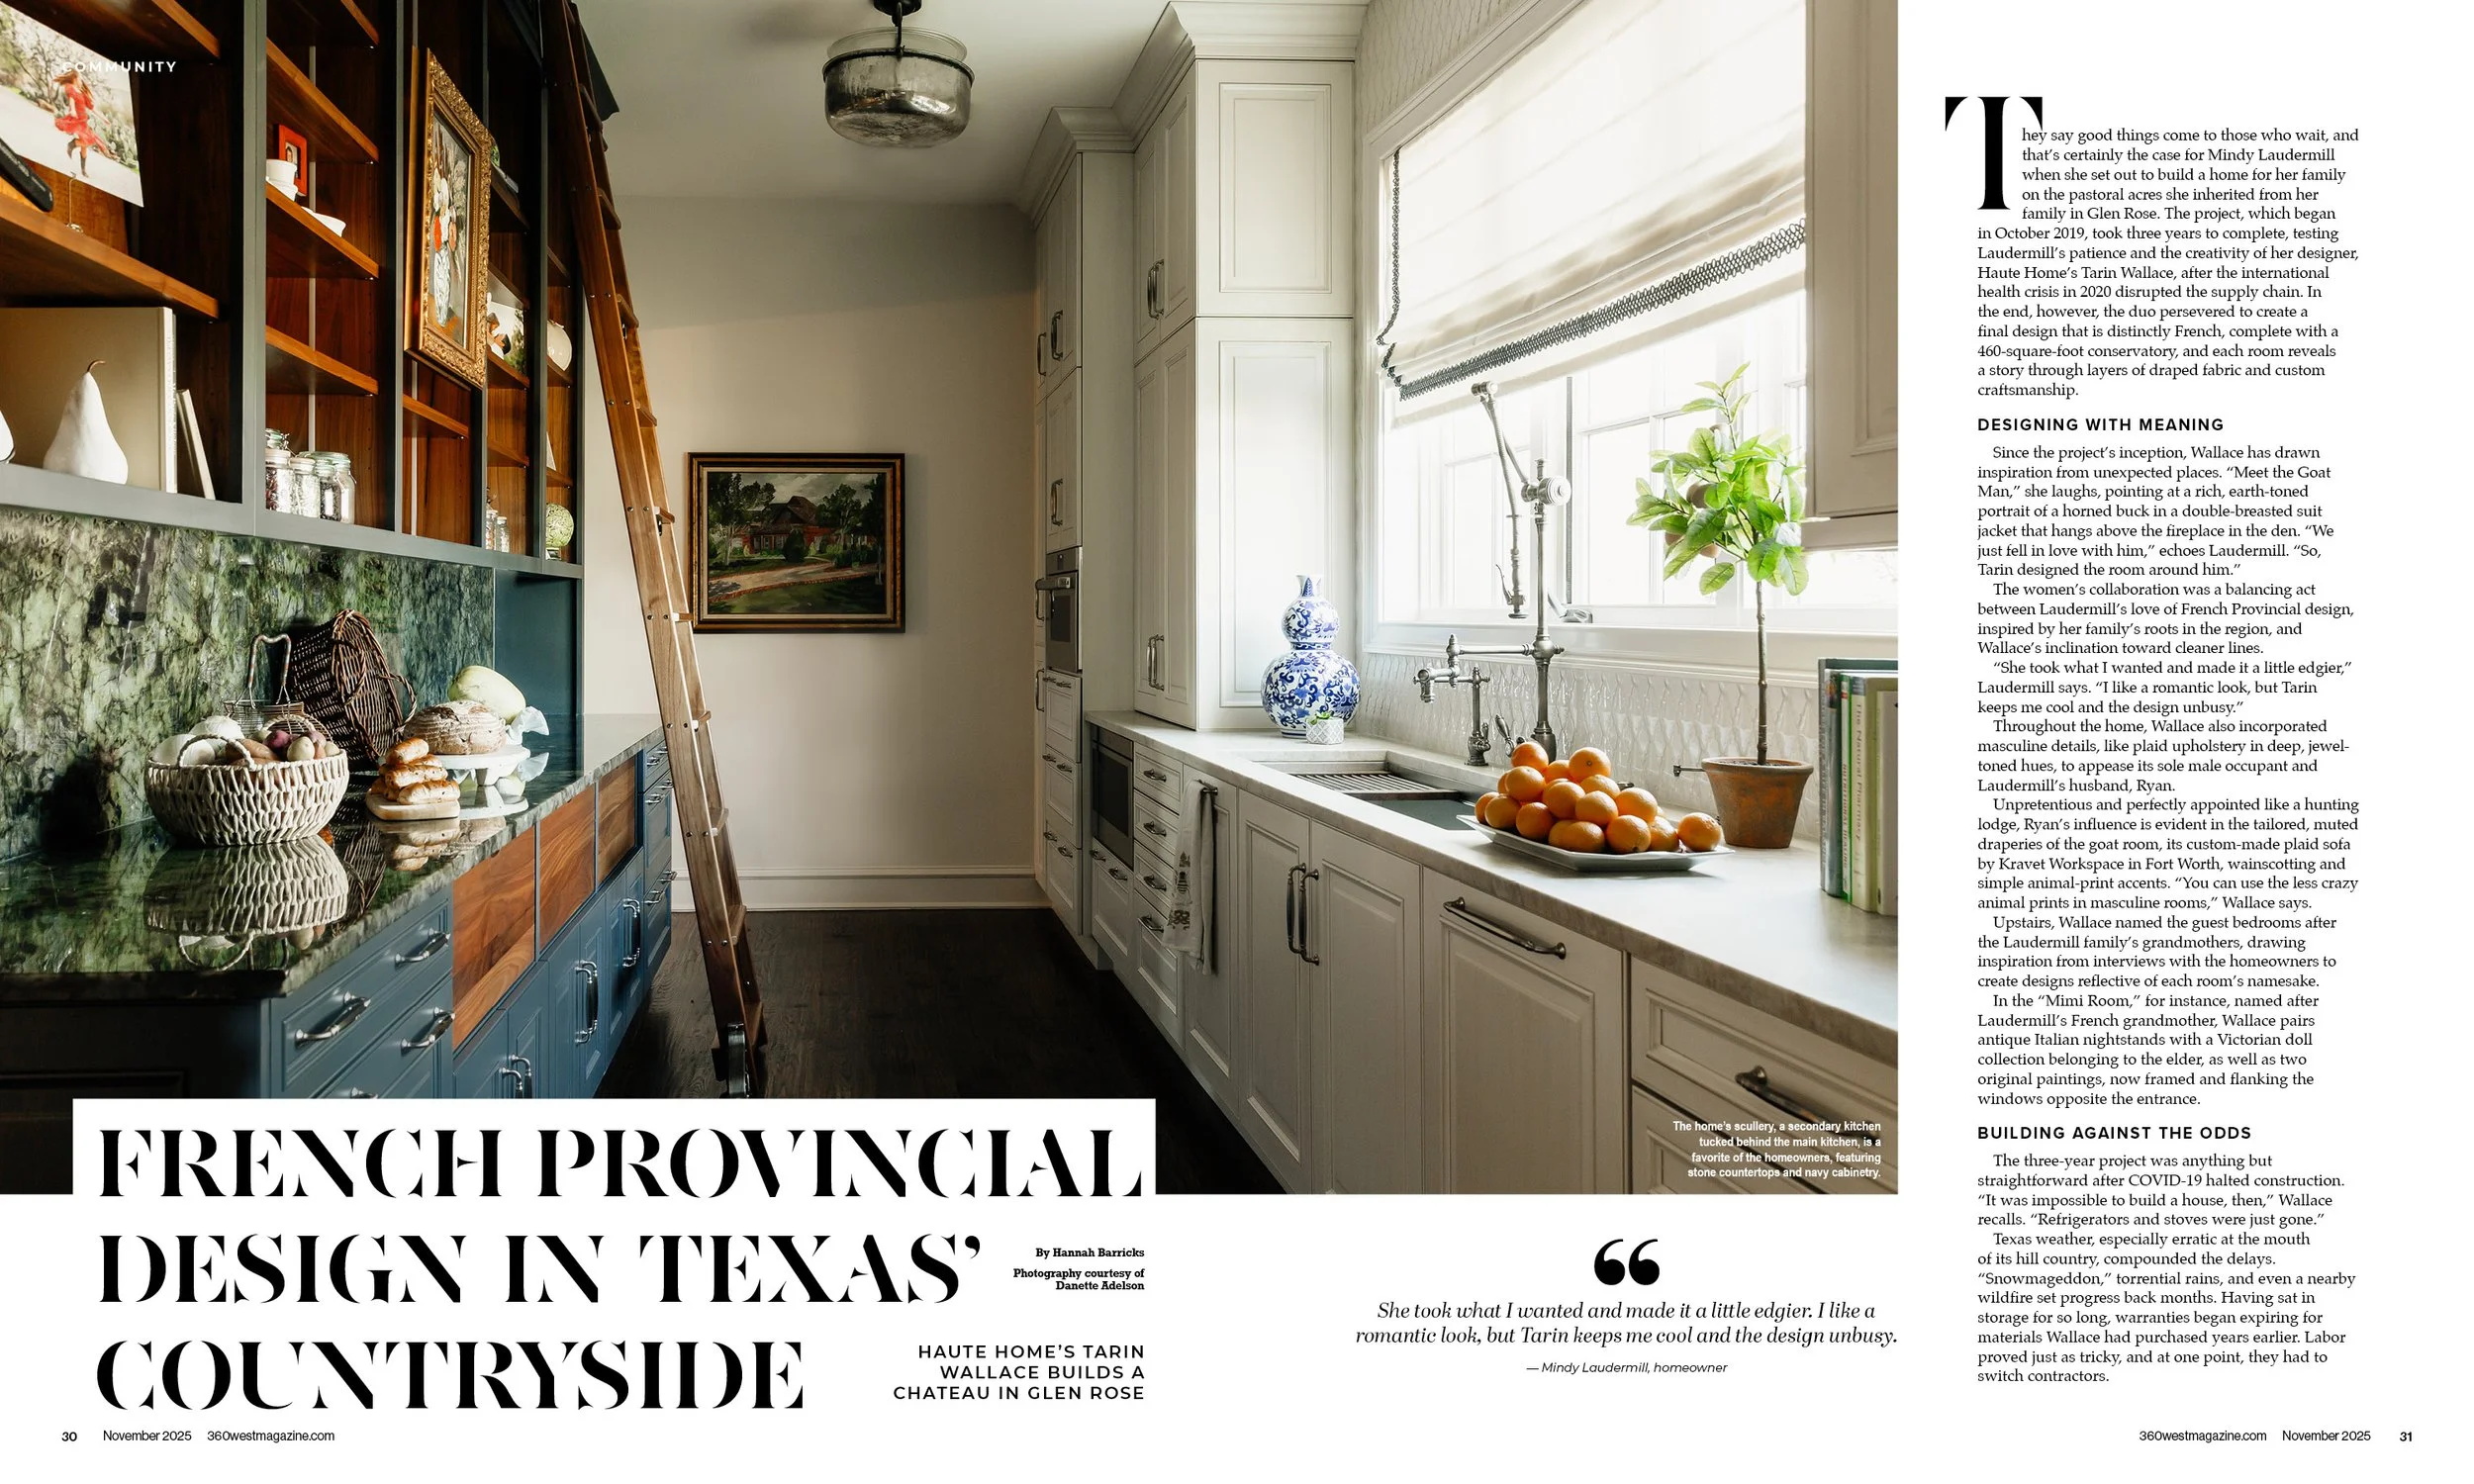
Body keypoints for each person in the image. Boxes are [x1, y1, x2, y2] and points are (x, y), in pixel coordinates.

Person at [53, 68, 103, 178]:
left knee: (85, 146)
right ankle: (72, 144)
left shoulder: (82, 93)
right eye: (80, 78)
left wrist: (104, 118)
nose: (81, 81)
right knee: (88, 141)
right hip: (78, 121)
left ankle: (83, 170)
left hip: (84, 122)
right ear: (75, 79)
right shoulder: (71, 88)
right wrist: (72, 109)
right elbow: (71, 100)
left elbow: (92, 108)